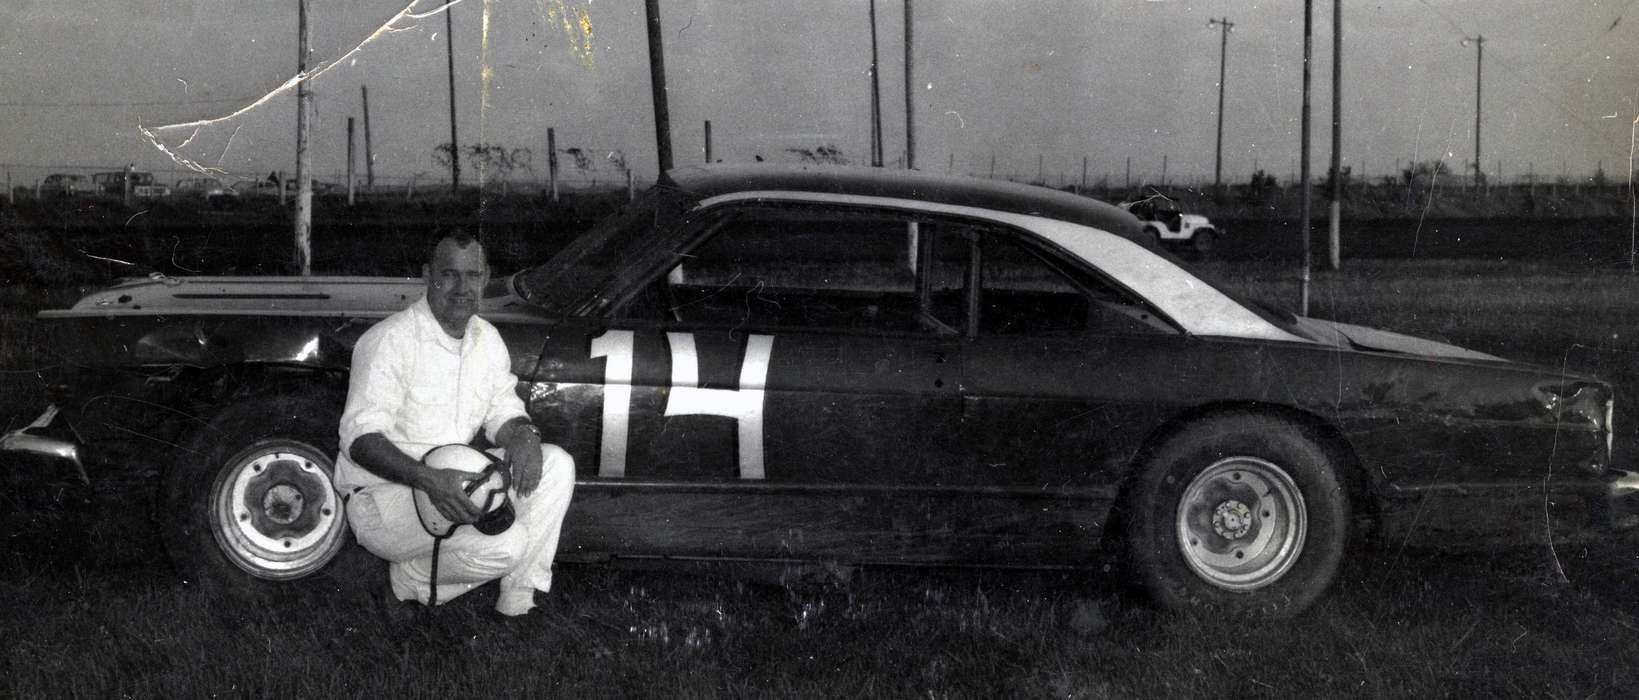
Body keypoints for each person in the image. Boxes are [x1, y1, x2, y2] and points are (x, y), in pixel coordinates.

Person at [335, 232, 575, 618]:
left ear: (486, 277)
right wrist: (427, 480)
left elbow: (502, 409)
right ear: (429, 276)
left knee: (557, 464)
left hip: (453, 481)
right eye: (449, 275)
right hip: (385, 494)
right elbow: (360, 440)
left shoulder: (486, 338)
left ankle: (519, 601)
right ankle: (405, 582)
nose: (463, 288)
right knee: (506, 546)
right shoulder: (390, 340)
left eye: (473, 275)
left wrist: (523, 435)